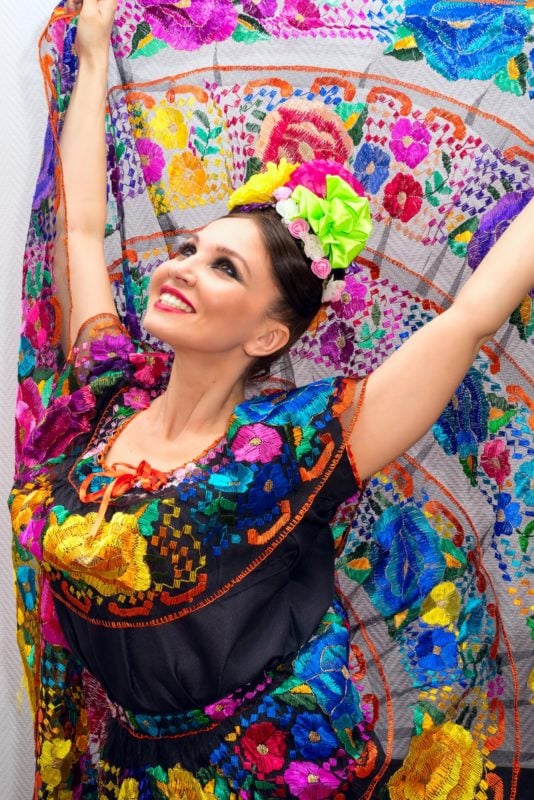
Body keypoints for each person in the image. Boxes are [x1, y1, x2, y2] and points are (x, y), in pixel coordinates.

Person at [10, 0, 534, 798]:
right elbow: (84, 228)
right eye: (189, 248)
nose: (180, 266)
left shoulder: (294, 448)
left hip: (256, 775)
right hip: (115, 771)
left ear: (265, 336)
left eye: (224, 269)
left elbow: (470, 316)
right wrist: (89, 56)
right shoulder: (113, 388)